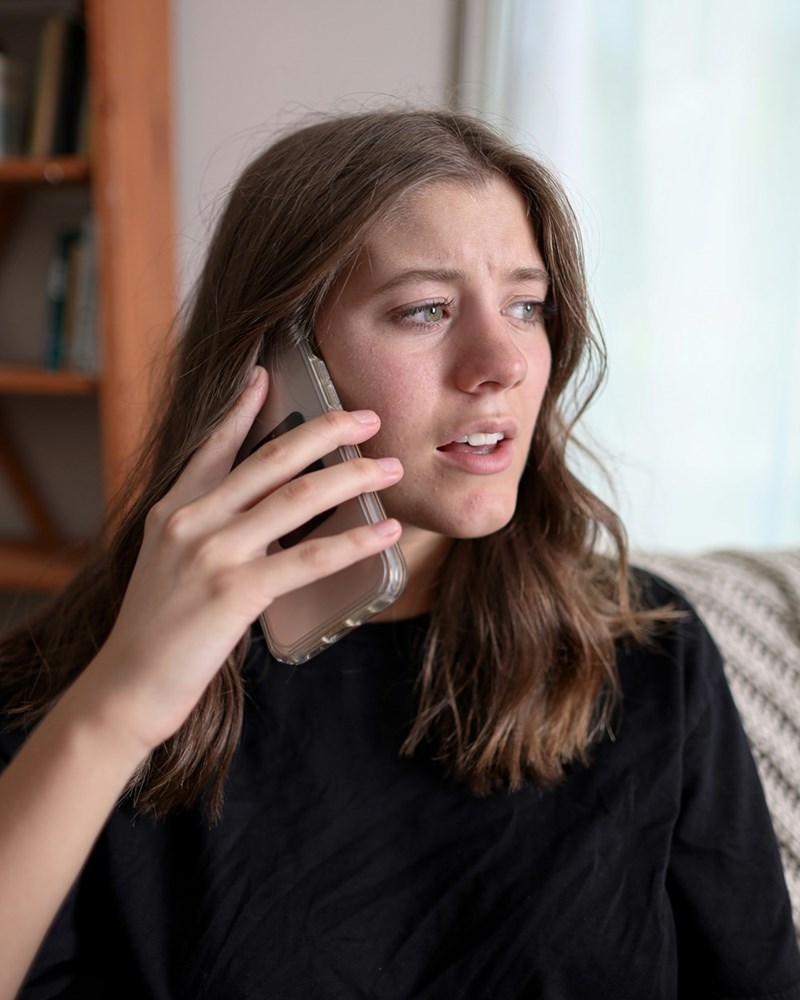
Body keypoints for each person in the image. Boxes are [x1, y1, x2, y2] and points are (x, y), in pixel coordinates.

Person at [0, 108, 798, 1000]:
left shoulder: (648, 652)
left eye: (526, 306)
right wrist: (119, 703)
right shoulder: (84, 678)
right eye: (425, 310)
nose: (501, 363)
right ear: (276, 360)